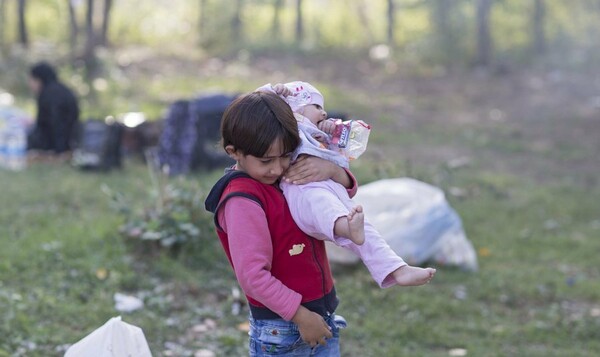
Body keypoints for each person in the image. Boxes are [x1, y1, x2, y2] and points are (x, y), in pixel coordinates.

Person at [205, 91, 355, 355]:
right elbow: (253, 276)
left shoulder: (282, 176)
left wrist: (333, 171)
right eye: (266, 161)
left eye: (285, 155)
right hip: (284, 331)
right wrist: (301, 317)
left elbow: (335, 197)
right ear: (234, 152)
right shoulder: (243, 200)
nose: (277, 168)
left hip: (319, 316)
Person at [258, 81, 436, 288]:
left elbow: (345, 163)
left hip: (332, 188)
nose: (324, 113)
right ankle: (346, 228)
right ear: (294, 106)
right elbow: (257, 108)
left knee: (365, 229)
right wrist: (273, 92)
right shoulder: (289, 127)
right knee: (324, 204)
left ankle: (397, 269)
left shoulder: (321, 136)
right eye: (317, 107)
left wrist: (333, 138)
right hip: (303, 190)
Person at [27, 62, 80, 154]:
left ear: (39, 79)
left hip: (52, 144)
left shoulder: (46, 94)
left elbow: (47, 124)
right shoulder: (65, 90)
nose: (30, 84)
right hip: (71, 141)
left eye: (31, 80)